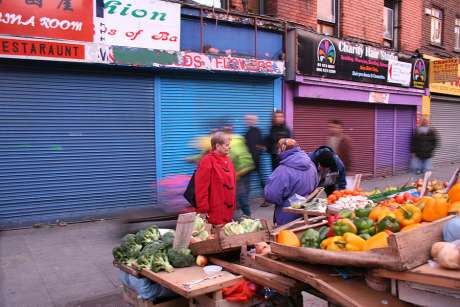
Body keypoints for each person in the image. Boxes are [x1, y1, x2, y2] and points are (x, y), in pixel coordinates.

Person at [264, 138, 319, 226]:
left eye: (278, 149)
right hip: (307, 212)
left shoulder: (282, 171)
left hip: (287, 217)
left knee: (287, 239)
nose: (277, 152)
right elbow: (316, 183)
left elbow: (271, 196)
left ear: (282, 149)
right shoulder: (311, 164)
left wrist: (287, 200)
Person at [194, 132, 236, 225]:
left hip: (228, 212)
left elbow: (233, 185)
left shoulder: (228, 161)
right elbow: (201, 188)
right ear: (217, 146)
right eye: (226, 145)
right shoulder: (207, 161)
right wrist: (203, 209)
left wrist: (232, 206)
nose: (229, 147)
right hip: (214, 211)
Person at [223, 126, 255, 217]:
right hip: (248, 166)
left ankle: (246, 214)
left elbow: (233, 157)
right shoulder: (239, 138)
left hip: (239, 170)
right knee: (243, 191)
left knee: (240, 192)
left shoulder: (229, 143)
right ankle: (244, 211)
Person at [244, 115, 265, 189]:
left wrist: (257, 154)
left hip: (256, 160)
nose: (249, 121)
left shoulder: (258, 131)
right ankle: (245, 198)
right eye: (247, 120)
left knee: (261, 179)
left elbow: (262, 145)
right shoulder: (247, 133)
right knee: (247, 180)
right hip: (249, 160)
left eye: (251, 120)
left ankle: (266, 195)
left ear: (255, 121)